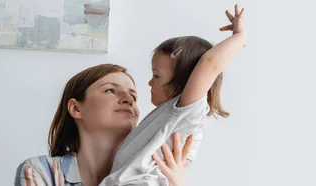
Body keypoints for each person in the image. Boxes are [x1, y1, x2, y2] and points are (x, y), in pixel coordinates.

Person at [98, 4, 247, 186]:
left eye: (156, 75)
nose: (150, 82)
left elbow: (209, 64)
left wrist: (239, 37)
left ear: (184, 81)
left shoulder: (186, 112)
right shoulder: (169, 116)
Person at [14, 64, 192, 186]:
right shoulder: (40, 171)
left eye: (134, 96)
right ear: (76, 108)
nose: (128, 99)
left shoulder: (156, 175)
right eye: (110, 90)